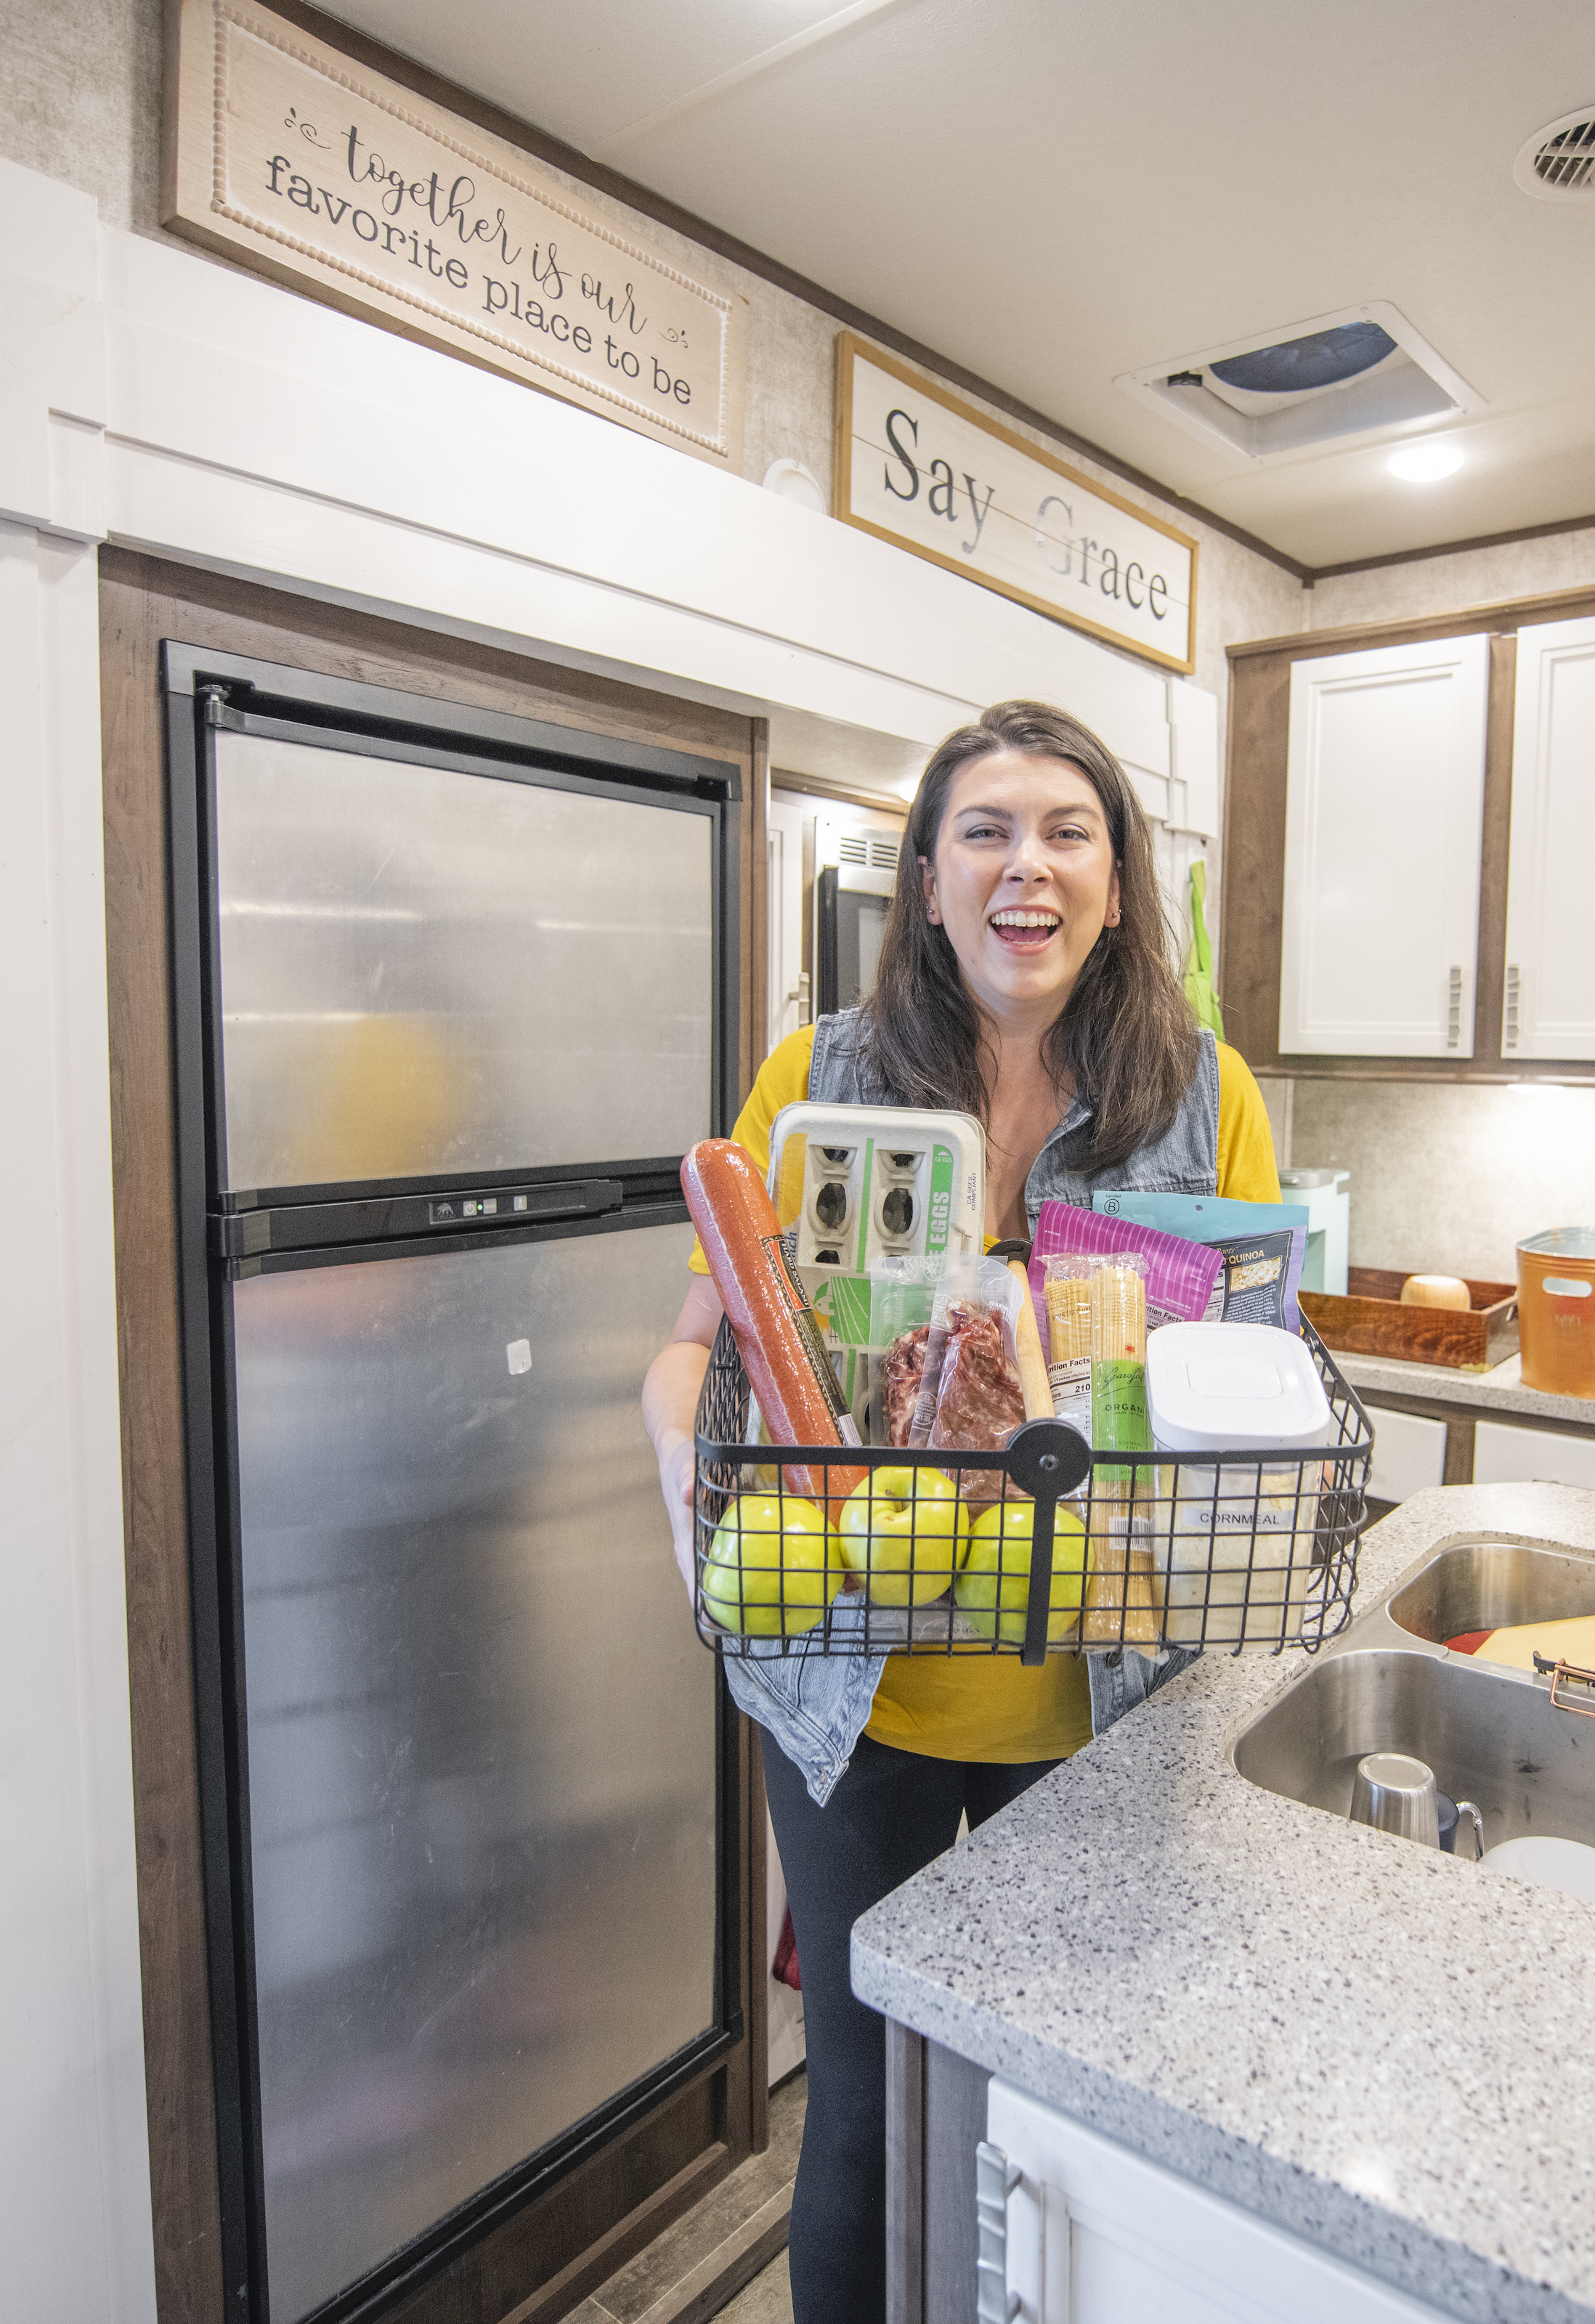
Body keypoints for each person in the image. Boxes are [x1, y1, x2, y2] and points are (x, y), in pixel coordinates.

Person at [643, 699, 1279, 2324]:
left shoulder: (1205, 1098)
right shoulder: (819, 1076)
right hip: (853, 1678)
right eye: (984, 830)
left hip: (1097, 1690)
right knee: (858, 2101)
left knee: (1056, 2104)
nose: (1026, 865)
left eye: (1068, 831)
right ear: (927, 878)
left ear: (1117, 884)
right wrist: (669, 1432)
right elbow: (704, 1341)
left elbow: (1249, 1387)